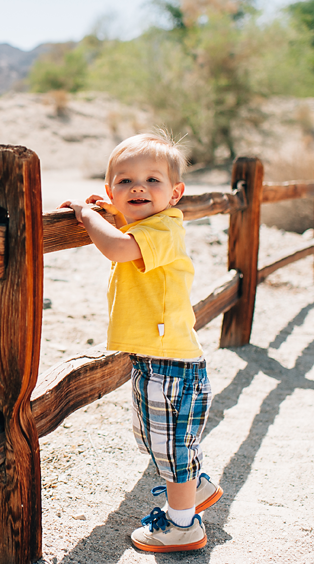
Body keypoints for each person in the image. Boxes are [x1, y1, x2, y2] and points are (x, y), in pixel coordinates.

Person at [60, 131, 222, 553]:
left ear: (176, 193)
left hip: (172, 363)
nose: (138, 188)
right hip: (156, 359)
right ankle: (196, 485)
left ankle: (183, 526)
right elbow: (124, 234)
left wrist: (85, 214)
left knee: (170, 445)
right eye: (125, 181)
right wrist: (108, 211)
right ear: (112, 190)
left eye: (153, 180)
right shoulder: (144, 225)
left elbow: (115, 248)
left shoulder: (164, 228)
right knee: (156, 438)